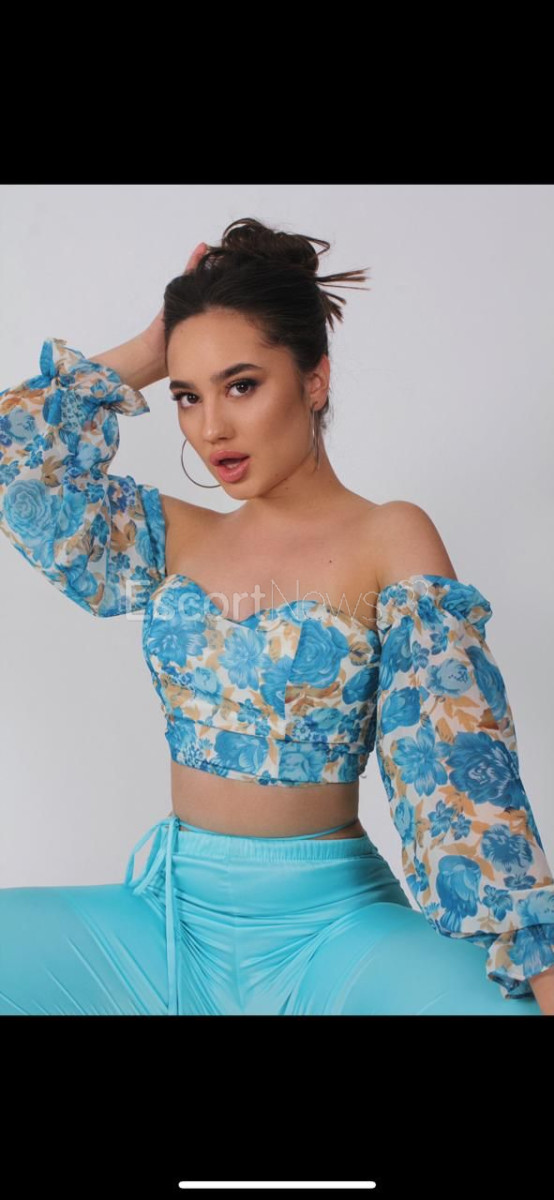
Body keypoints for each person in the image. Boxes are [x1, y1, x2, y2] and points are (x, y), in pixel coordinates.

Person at [0, 215, 553, 1016]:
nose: (210, 427)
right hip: (167, 925)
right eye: (188, 396)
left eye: (241, 385)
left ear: (314, 380)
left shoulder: (389, 535)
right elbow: (16, 460)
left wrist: (537, 952)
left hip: (333, 932)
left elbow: (453, 759)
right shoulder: (172, 537)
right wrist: (155, 346)